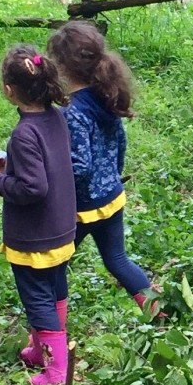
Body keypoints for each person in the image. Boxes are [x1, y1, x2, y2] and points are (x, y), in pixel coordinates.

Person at [0, 46, 76, 385]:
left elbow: (34, 188)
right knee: (55, 289)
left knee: (37, 299)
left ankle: (56, 370)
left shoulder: (23, 134)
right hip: (61, 228)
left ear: (9, 90)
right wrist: (14, 167)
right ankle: (41, 349)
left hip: (34, 238)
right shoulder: (55, 119)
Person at [46, 22, 158, 319]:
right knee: (118, 260)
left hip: (82, 209)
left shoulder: (72, 112)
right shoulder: (106, 96)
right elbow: (120, 143)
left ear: (61, 67)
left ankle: (51, 334)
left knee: (54, 267)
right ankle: (162, 312)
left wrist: (50, 181)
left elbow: (79, 167)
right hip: (112, 197)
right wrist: (111, 176)